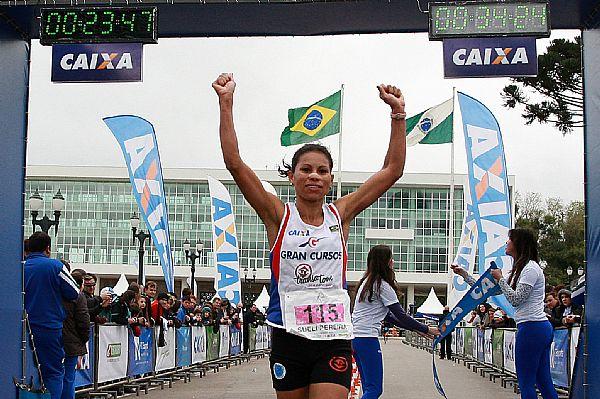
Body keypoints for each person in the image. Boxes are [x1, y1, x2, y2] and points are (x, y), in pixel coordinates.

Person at [212, 72, 408, 399]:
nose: (314, 176)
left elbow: (393, 171)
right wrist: (225, 103)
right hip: (288, 337)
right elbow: (235, 164)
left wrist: (398, 115)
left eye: (322, 170)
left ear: (331, 179)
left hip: (332, 337)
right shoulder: (277, 215)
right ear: (291, 176)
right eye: (305, 169)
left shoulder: (340, 213)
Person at [452, 228, 558, 399]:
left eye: (509, 240)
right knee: (543, 381)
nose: (506, 243)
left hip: (532, 328)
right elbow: (487, 291)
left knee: (526, 382)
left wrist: (500, 278)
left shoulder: (530, 269)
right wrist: (463, 274)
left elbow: (516, 299)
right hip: (536, 328)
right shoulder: (519, 270)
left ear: (519, 244)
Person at [351, 245, 438, 399]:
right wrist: (425, 329)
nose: (393, 261)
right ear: (385, 262)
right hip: (367, 339)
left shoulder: (366, 283)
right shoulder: (382, 285)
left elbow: (388, 316)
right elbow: (401, 315)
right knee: (374, 390)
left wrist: (415, 329)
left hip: (355, 339)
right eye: (391, 258)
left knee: (368, 387)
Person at [24, 232, 80, 399]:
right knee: (53, 372)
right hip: (49, 327)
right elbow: (74, 292)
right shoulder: (55, 266)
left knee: (23, 372)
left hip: (22, 328)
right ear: (48, 248)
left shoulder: (20, 266)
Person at [60, 264, 90, 399]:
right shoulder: (78, 296)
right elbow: (84, 321)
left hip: (56, 338)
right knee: (69, 377)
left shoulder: (57, 294)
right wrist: (83, 339)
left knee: (55, 375)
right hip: (72, 341)